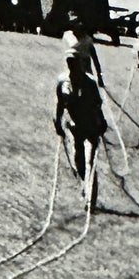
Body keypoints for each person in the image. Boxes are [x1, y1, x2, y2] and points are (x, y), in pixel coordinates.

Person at [54, 49, 107, 202]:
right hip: (74, 126)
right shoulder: (63, 82)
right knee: (79, 161)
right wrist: (57, 121)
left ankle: (91, 199)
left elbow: (98, 105)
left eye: (75, 63)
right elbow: (59, 105)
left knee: (91, 161)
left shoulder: (89, 83)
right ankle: (84, 184)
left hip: (91, 125)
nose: (72, 67)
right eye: (69, 63)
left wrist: (101, 122)